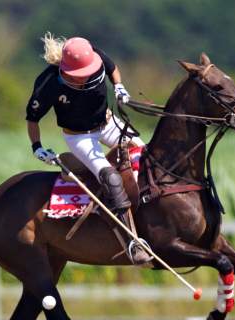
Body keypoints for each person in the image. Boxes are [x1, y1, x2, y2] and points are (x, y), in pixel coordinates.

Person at [25, 32, 149, 264]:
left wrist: (119, 87)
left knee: (147, 155)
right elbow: (32, 119)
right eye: (80, 75)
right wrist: (37, 147)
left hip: (108, 122)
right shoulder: (48, 83)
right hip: (79, 136)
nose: (86, 77)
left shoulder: (96, 58)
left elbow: (113, 69)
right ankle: (131, 240)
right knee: (109, 176)